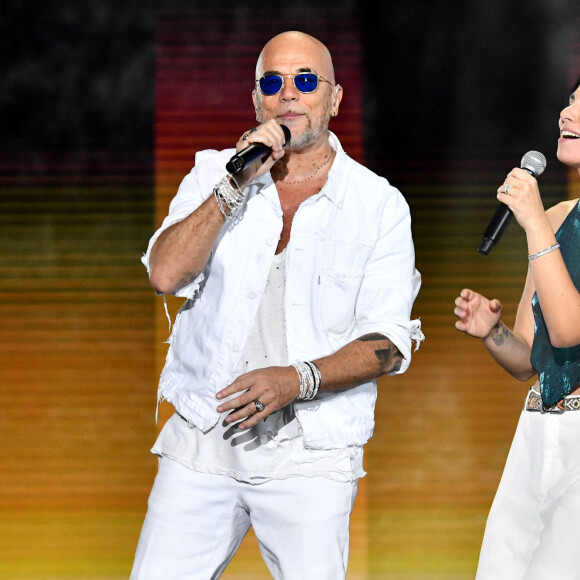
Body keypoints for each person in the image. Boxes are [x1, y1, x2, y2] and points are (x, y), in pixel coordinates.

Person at [131, 31, 423, 580]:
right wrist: (236, 183)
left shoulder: (378, 204)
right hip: (202, 441)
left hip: (311, 454)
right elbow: (166, 274)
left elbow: (389, 342)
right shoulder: (215, 172)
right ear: (256, 100)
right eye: (273, 82)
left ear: (334, 100)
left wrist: (297, 379)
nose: (289, 94)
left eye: (305, 80)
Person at [454, 75, 580, 580]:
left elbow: (571, 329)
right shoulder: (554, 217)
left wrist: (532, 224)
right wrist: (493, 332)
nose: (566, 115)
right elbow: (530, 358)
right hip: (536, 434)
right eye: (569, 102)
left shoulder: (539, 223)